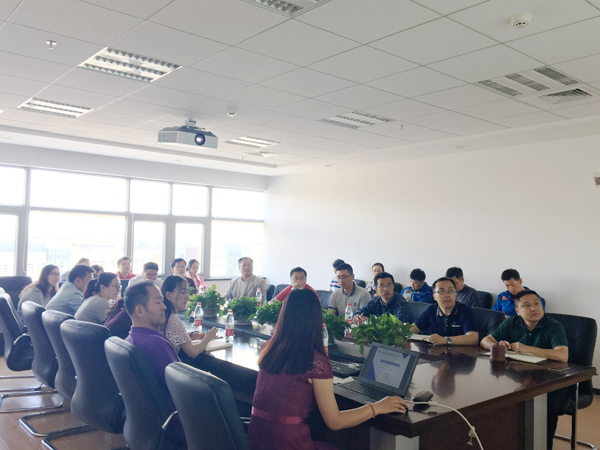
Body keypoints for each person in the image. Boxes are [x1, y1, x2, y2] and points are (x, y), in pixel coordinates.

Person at [247, 289, 407, 450]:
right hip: (291, 444)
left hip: (257, 441)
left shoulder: (269, 349)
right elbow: (335, 422)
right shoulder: (315, 361)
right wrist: (378, 407)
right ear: (316, 318)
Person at [481, 290, 568, 450]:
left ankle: (543, 445)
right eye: (527, 305)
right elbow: (485, 340)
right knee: (493, 398)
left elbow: (562, 355)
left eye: (536, 303)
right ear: (518, 311)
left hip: (550, 379)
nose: (534, 308)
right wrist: (497, 346)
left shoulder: (553, 325)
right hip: (519, 375)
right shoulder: (512, 322)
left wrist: (529, 349)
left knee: (545, 406)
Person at [123, 281, 186, 446]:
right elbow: (183, 389)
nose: (164, 307)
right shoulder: (156, 344)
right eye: (158, 302)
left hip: (145, 426)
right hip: (176, 424)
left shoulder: (128, 340)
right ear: (140, 310)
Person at [160, 275, 217, 358]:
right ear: (168, 295)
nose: (187, 297)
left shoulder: (163, 315)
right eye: (183, 292)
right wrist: (208, 338)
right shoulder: (173, 319)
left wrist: (190, 336)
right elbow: (193, 352)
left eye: (188, 292)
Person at [410, 277, 478, 346]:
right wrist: (406, 329)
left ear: (455, 294)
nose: (447, 295)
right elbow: (416, 327)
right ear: (434, 297)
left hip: (460, 351)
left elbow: (473, 338)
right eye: (442, 291)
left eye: (451, 291)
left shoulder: (465, 310)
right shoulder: (432, 310)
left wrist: (446, 340)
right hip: (436, 351)